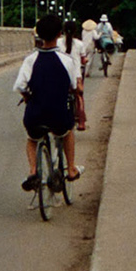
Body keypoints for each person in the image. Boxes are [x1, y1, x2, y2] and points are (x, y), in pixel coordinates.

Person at [14, 13, 81, 189]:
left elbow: (20, 85)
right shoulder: (66, 60)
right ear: (59, 34)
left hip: (35, 115)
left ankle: (33, 171)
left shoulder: (30, 60)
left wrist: (27, 97)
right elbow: (74, 85)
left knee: (31, 138)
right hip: (59, 115)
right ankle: (72, 169)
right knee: (67, 132)